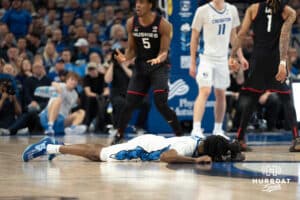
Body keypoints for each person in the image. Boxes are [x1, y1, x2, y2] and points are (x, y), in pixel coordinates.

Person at [230, 0, 300, 151]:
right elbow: (284, 37)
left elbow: (241, 34)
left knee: (251, 99)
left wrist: (232, 56)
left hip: (258, 60)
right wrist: (282, 62)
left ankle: (240, 139)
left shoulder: (253, 9)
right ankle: (297, 139)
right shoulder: (289, 12)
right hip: (275, 59)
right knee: (286, 98)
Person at [113, 0, 182, 144]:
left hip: (159, 67)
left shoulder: (163, 24)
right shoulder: (131, 23)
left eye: (142, 2)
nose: (138, 5)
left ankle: (180, 135)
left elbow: (164, 51)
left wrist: (159, 58)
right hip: (141, 66)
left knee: (160, 103)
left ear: (150, 5)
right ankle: (119, 135)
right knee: (129, 104)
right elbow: (132, 49)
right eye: (137, 2)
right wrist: (126, 58)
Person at [189, 0, 248, 140]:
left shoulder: (232, 9)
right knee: (205, 91)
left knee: (221, 94)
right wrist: (192, 62)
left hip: (222, 59)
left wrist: (241, 56)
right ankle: (196, 129)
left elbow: (234, 37)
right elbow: (194, 37)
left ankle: (218, 129)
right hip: (206, 59)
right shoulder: (202, 11)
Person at [22, 134, 245, 163]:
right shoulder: (188, 146)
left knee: (98, 153)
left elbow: (234, 148)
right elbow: (168, 157)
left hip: (151, 141)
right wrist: (195, 161)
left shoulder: (211, 140)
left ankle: (55, 146)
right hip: (142, 148)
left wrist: (234, 152)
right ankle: (49, 146)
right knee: (97, 153)